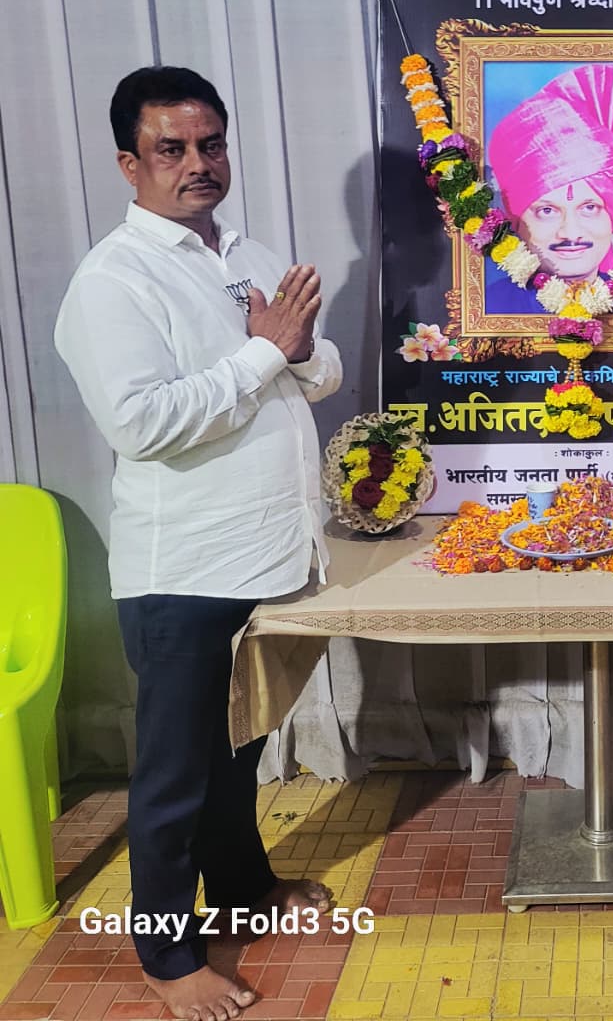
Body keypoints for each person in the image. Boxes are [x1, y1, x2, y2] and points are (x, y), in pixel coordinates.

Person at [54, 66, 343, 1021]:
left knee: (237, 749)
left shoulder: (245, 250)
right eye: (171, 148)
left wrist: (294, 347)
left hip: (266, 552)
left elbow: (319, 370)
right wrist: (265, 352)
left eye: (210, 144)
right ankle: (169, 959)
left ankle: (246, 890)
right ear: (128, 163)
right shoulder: (114, 280)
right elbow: (142, 424)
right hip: (182, 569)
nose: (197, 163)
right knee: (175, 776)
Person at [484, 63, 613, 313]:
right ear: (516, 220)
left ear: (612, 215)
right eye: (546, 211)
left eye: (589, 207)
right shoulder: (489, 308)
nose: (571, 233)